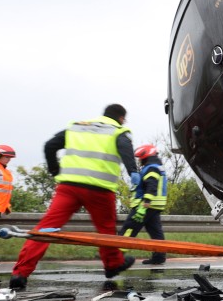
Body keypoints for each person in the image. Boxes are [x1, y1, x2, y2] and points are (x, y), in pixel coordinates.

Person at [9, 105, 139, 290]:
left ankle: (20, 273)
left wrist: (54, 169)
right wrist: (133, 172)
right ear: (121, 118)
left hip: (69, 187)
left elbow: (49, 146)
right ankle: (112, 265)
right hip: (100, 190)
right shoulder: (119, 131)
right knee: (106, 231)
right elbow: (126, 151)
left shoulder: (76, 127)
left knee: (45, 229)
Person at [119, 143, 168, 265]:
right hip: (154, 206)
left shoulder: (151, 168)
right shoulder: (156, 166)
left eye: (141, 159)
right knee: (155, 232)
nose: (140, 161)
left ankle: (116, 254)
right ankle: (159, 257)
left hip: (145, 205)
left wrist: (146, 201)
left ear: (146, 157)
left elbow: (152, 185)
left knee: (129, 228)